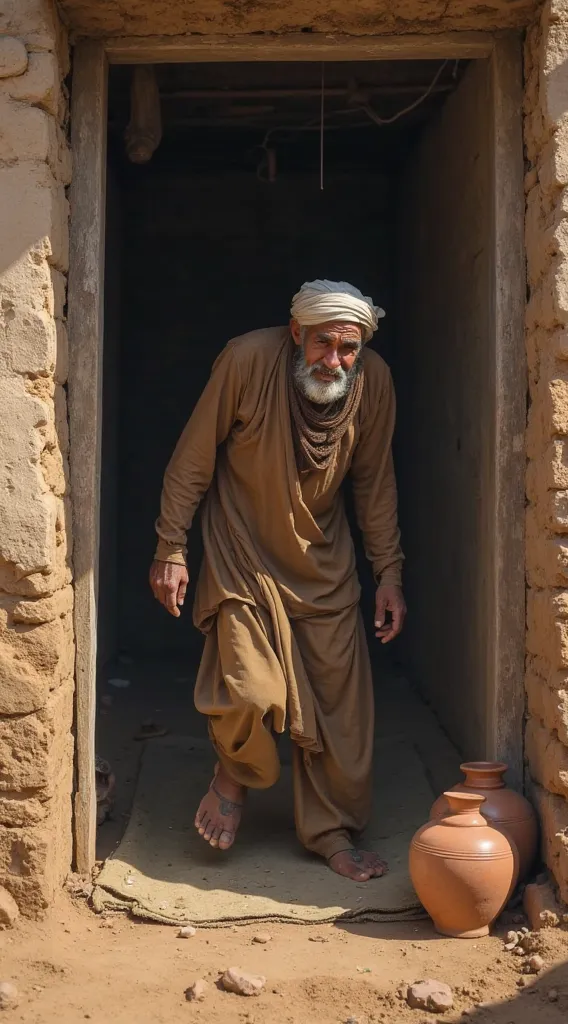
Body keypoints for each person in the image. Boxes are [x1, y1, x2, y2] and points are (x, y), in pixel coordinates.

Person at [149, 280, 406, 882]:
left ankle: (331, 832)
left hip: (325, 565)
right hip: (242, 555)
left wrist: (388, 573)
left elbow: (374, 484)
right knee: (248, 692)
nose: (335, 361)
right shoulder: (246, 360)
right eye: (323, 345)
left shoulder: (373, 383)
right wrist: (171, 546)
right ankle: (232, 778)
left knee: (343, 723)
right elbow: (192, 459)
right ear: (296, 334)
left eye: (348, 349)